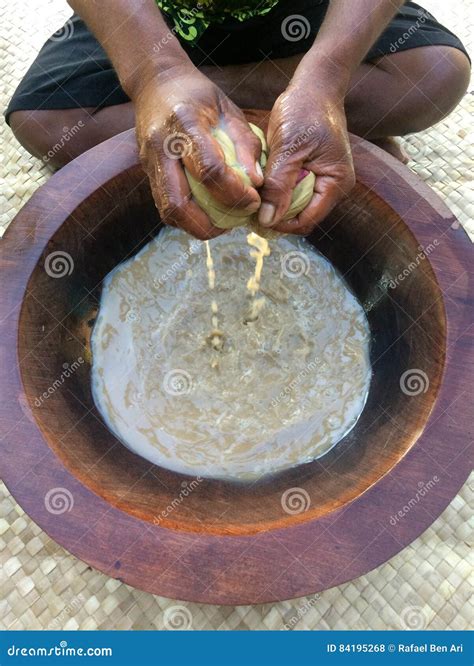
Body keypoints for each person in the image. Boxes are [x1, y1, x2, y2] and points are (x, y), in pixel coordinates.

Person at [6, 0, 470, 239]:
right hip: (154, 21)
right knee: (45, 121)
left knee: (435, 74)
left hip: (306, 19)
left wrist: (327, 76)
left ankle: (227, 102)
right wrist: (156, 74)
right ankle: (199, 98)